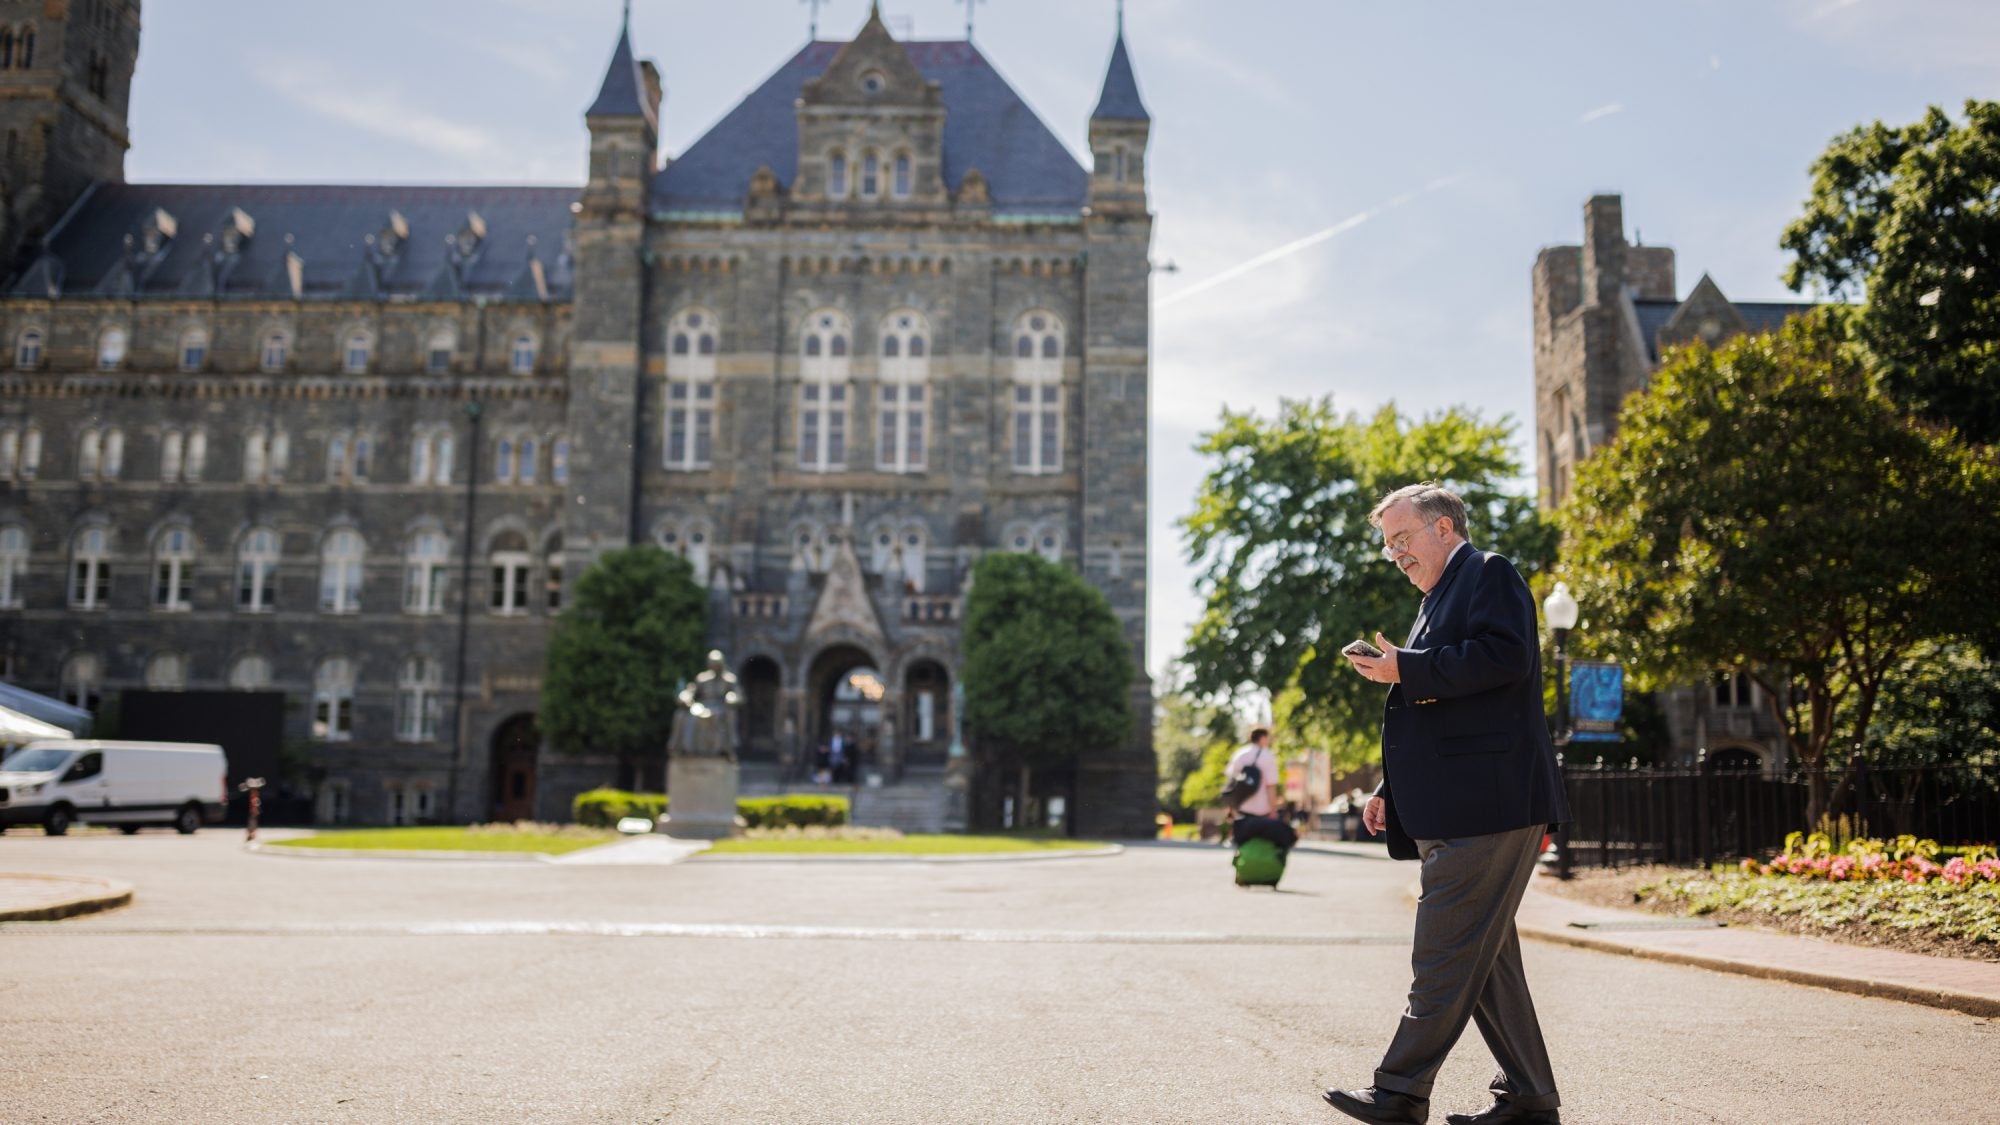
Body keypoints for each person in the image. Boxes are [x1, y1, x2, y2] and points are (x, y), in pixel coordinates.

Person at [1323, 483, 1569, 1125]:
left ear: (1443, 528)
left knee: (1441, 951)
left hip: (1489, 804)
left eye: (1402, 540)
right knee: (1486, 963)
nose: (1396, 555)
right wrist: (1388, 788)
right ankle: (1531, 1098)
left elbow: (1506, 658)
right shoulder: (1436, 598)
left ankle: (1401, 1091)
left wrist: (1407, 669)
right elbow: (1437, 711)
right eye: (1389, 547)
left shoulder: (1489, 573)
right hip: (1465, 803)